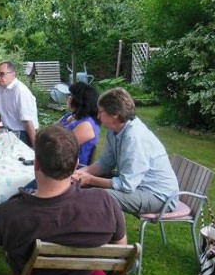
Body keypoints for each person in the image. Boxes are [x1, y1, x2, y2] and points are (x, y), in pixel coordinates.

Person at [0, 125, 126, 275]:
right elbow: (121, 247)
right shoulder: (105, 202)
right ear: (76, 165)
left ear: (36, 163)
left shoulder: (11, 212)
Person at [71, 87, 179, 216]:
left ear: (115, 114)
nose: (98, 115)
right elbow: (105, 163)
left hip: (159, 197)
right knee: (83, 185)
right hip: (138, 186)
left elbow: (126, 185)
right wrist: (79, 173)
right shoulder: (114, 130)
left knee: (100, 196)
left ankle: (111, 235)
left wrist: (90, 180)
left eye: (101, 112)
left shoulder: (134, 137)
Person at [20, 81, 100, 193]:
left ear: (79, 100)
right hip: (54, 162)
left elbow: (59, 146)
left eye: (70, 95)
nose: (68, 98)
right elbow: (47, 132)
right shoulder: (71, 116)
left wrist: (45, 139)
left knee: (25, 190)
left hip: (68, 170)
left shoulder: (87, 125)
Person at [0, 61, 39, 147]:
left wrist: (36, 150)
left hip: (23, 133)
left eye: (2, 74)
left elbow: (27, 121)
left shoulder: (20, 91)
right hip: (6, 130)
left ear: (13, 75)